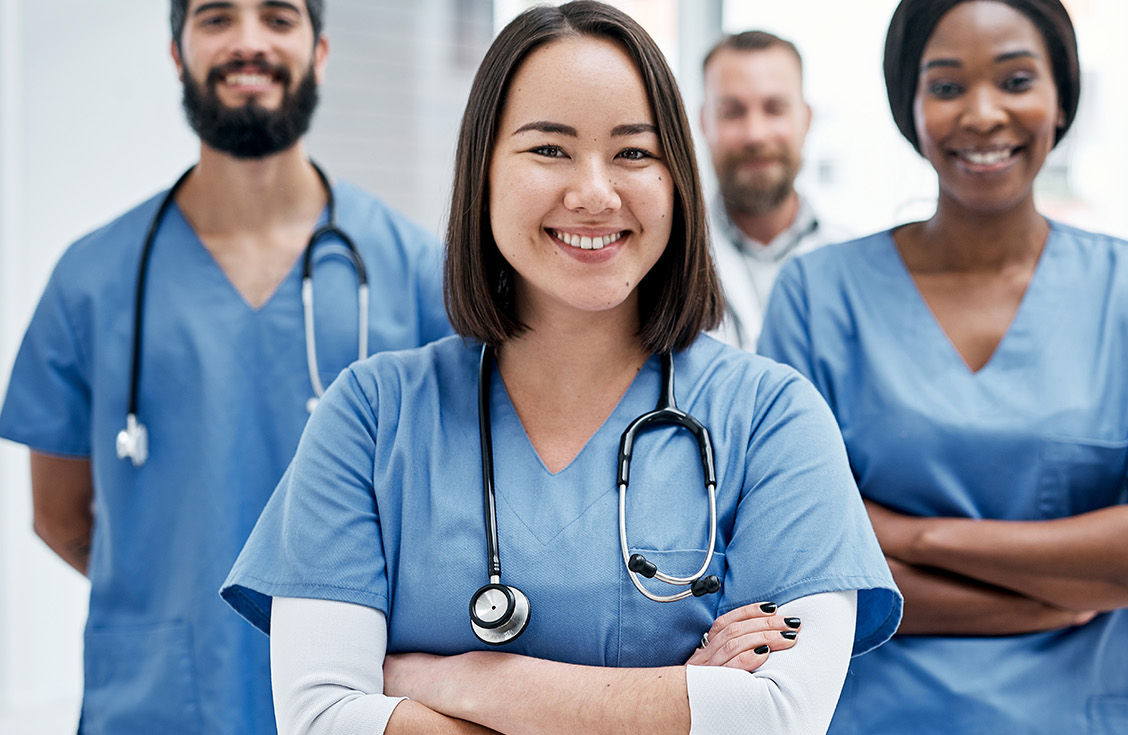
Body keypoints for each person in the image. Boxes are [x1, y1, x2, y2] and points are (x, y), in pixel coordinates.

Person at [219, 3, 902, 734]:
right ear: (483, 170)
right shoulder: (371, 415)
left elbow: (775, 717)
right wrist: (677, 697)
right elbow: (321, 718)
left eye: (635, 153)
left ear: (678, 180)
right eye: (550, 149)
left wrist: (447, 679)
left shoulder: (773, 418)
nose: (595, 193)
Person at [758, 0, 1128, 732]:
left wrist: (913, 536)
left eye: (1015, 80)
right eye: (946, 87)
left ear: (1061, 98)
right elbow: (801, 566)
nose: (982, 113)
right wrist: (1045, 597)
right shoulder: (819, 296)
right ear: (908, 107)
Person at [0, 1, 453, 732]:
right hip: (154, 706)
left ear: (322, 51)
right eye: (216, 18)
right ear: (177, 52)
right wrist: (162, 599)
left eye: (277, 17)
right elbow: (57, 515)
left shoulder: (414, 275)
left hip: (355, 704)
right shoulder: (92, 280)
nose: (248, 42)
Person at [699, 30, 847, 351]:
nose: (755, 134)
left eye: (774, 108)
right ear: (704, 123)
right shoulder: (669, 260)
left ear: (806, 120)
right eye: (733, 112)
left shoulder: (853, 261)